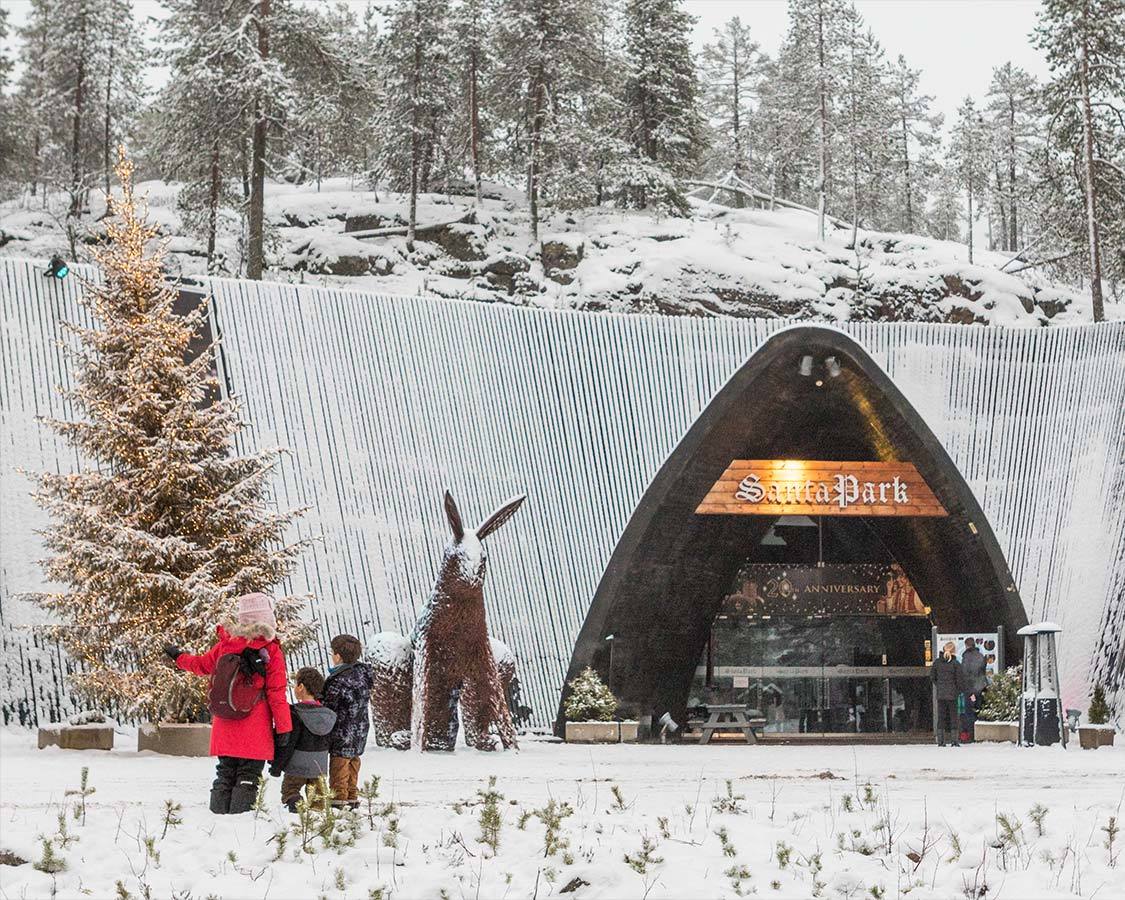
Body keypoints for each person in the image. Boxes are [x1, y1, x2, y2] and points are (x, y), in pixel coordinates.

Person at [164, 592, 292, 814]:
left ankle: (218, 819)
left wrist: (178, 657)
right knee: (248, 776)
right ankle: (238, 827)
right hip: (254, 726)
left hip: (225, 721)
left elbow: (201, 665)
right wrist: (284, 729)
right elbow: (276, 694)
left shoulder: (226, 644)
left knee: (225, 773)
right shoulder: (270, 651)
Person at [269, 667, 337, 812]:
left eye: (295, 685)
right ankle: (317, 816)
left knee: (290, 790)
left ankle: (296, 805)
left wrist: (277, 765)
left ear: (301, 687)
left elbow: (288, 742)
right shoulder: (328, 716)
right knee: (318, 796)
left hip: (296, 765)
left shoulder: (294, 713)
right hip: (319, 764)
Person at [321, 634, 375, 809]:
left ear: (337, 656)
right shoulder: (363, 675)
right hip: (360, 728)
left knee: (339, 766)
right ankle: (352, 797)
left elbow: (330, 706)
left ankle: (339, 801)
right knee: (353, 762)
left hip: (341, 730)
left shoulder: (338, 680)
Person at [931, 641, 965, 747]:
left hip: (941, 694)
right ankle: (954, 740)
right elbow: (960, 680)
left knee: (941, 717)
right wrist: (958, 691)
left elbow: (933, 677)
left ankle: (941, 741)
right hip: (953, 694)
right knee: (953, 717)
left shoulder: (937, 663)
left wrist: (940, 686)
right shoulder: (955, 664)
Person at [960, 637, 989, 742]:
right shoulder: (981, 656)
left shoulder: (966, 657)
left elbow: (965, 673)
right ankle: (980, 735)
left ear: (967, 645)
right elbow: (982, 671)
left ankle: (971, 735)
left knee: (969, 712)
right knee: (979, 710)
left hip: (970, 689)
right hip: (980, 688)